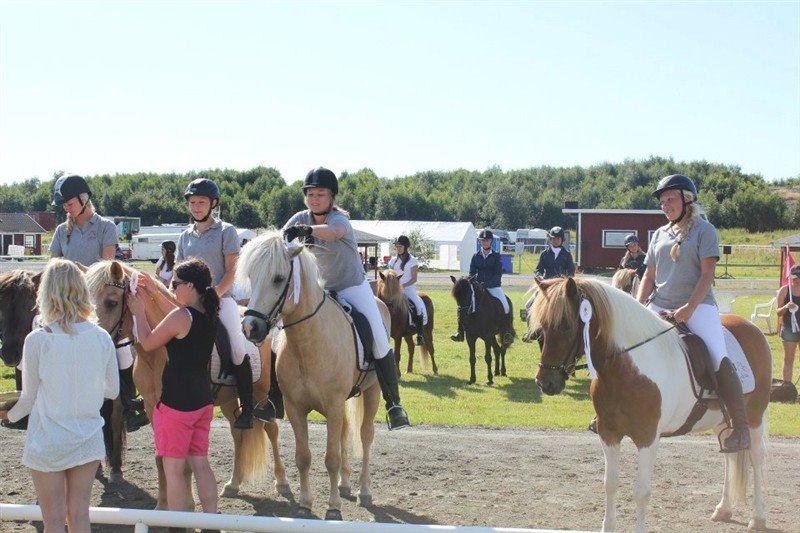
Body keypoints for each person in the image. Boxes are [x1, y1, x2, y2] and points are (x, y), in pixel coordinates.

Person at [283, 167, 410, 430]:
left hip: (352, 287)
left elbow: (333, 233)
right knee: (280, 327)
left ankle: (394, 404)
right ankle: (274, 395)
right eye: (310, 194)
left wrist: (305, 230)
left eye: (321, 194)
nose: (315, 199)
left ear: (332, 197)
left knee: (378, 337)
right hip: (318, 290)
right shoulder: (298, 218)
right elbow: (282, 240)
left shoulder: (339, 220)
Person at [1, 259, 119, 533]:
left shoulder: (37, 340)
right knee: (79, 518)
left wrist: (8, 415)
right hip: (87, 438)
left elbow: (27, 399)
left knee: (53, 521)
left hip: (48, 440)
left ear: (46, 292)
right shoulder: (102, 337)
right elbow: (112, 390)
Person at [637, 173, 749, 452]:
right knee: (629, 345)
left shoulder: (704, 230)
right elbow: (648, 276)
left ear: (687, 200)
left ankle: (741, 429)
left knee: (717, 355)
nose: (665, 205)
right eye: (662, 201)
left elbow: (707, 274)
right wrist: (637, 308)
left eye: (670, 199)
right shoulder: (659, 234)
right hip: (659, 304)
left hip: (698, 306)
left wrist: (689, 307)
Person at [49, 174, 148, 433]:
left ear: (84, 199)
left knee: (120, 345)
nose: (66, 208)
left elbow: (106, 269)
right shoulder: (61, 231)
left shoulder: (105, 227)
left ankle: (129, 403)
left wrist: (80, 279)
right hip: (67, 302)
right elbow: (54, 267)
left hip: (99, 300)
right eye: (64, 204)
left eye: (69, 203)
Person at [176, 178, 274, 429]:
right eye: (192, 202)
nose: (196, 207)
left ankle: (248, 408)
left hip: (222, 300)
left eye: (201, 202)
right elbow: (178, 273)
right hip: (189, 304)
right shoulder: (184, 236)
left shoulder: (226, 231)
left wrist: (214, 294)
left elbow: (232, 270)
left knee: (238, 348)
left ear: (213, 204)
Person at [127, 259, 219, 515]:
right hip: (203, 401)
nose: (171, 287)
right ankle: (212, 520)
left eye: (175, 284)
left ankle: (177, 525)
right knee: (201, 464)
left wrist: (138, 313)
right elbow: (178, 313)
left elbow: (147, 342)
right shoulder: (208, 311)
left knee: (174, 470)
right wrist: (154, 292)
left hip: (177, 405)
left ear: (190, 286)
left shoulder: (180, 317)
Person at [450, 229, 515, 346]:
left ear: (491, 241)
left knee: (506, 305)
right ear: (480, 241)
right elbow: (472, 273)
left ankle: (507, 332)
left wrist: (487, 283)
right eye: (483, 240)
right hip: (477, 287)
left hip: (494, 287)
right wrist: (475, 283)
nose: (485, 242)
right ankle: (460, 331)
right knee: (463, 304)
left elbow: (497, 274)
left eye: (487, 240)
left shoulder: (496, 256)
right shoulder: (476, 256)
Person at [387, 235, 428, 345]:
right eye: (397, 246)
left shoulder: (412, 261)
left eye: (400, 246)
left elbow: (414, 279)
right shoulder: (393, 261)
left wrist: (402, 286)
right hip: (394, 290)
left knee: (418, 306)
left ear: (406, 247)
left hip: (409, 289)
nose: (398, 248)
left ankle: (420, 335)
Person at [776, 264, 800, 384]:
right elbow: (778, 312)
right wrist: (786, 306)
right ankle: (787, 387)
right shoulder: (784, 290)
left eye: (798, 278)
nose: (796, 281)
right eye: (795, 278)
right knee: (789, 360)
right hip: (789, 330)